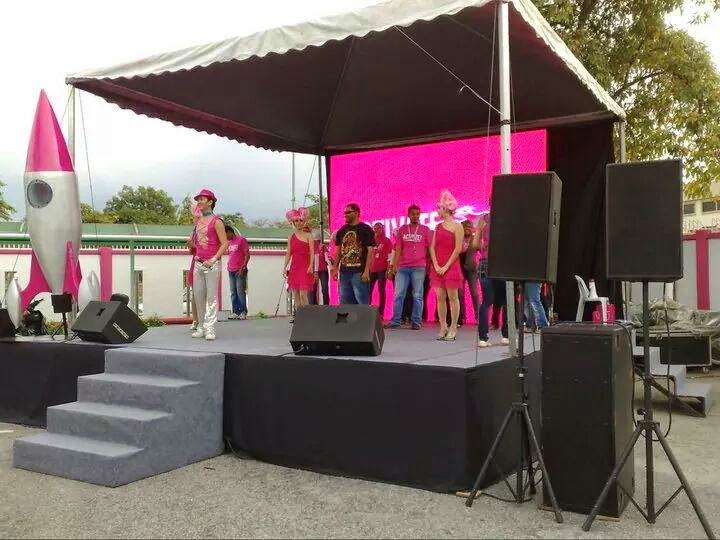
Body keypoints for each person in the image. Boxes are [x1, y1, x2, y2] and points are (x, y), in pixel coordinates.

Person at [188, 188, 228, 341]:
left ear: (210, 202)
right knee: (198, 295)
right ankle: (200, 326)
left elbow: (224, 243)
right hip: (198, 263)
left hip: (211, 264)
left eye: (202, 199)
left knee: (211, 297)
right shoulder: (198, 221)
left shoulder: (217, 222)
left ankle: (210, 328)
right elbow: (196, 243)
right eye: (198, 199)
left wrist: (214, 259)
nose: (199, 202)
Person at [386, 205, 431, 330]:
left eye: (417, 214)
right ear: (409, 215)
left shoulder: (425, 230)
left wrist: (432, 263)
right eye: (413, 214)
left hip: (419, 267)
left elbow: (431, 247)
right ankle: (396, 321)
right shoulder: (402, 229)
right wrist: (394, 266)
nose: (415, 216)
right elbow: (398, 248)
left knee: (417, 295)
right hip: (402, 267)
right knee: (399, 294)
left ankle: (416, 321)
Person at [430, 190, 464, 341]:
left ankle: (453, 327)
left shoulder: (458, 226)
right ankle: (443, 326)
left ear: (445, 209)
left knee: (453, 297)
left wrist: (446, 266)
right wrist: (436, 265)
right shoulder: (437, 227)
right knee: (440, 297)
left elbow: (458, 249)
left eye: (439, 208)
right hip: (438, 266)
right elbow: (432, 247)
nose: (437, 210)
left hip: (451, 266)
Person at [473, 213, 509, 347]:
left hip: (485, 262)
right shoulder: (507, 218)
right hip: (502, 261)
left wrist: (484, 248)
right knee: (506, 301)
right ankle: (506, 336)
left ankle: (483, 338)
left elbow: (475, 243)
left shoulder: (483, 219)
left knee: (486, 302)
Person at [331, 203, 375, 304]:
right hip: (344, 272)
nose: (345, 215)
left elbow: (370, 251)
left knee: (362, 302)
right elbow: (338, 251)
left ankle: (364, 316)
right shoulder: (342, 230)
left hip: (359, 272)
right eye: (344, 213)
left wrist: (366, 271)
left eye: (348, 212)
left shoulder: (365, 229)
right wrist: (335, 268)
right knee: (345, 302)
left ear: (356, 213)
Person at [283, 208, 316, 313]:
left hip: (305, 268)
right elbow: (288, 253)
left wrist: (311, 266)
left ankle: (307, 315)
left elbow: (312, 252)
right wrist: (284, 267)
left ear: (304, 221)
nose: (298, 223)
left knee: (303, 294)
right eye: (296, 221)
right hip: (294, 268)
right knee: (296, 295)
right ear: (293, 222)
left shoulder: (309, 236)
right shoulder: (291, 237)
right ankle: (299, 316)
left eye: (301, 220)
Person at [225, 225, 250, 320]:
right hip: (231, 270)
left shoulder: (241, 240)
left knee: (240, 292)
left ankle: (243, 312)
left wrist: (243, 267)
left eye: (226, 234)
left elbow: (247, 255)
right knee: (233, 292)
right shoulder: (229, 243)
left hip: (239, 270)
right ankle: (235, 311)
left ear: (229, 232)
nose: (225, 237)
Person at [458, 219, 480, 326]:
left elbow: (484, 250)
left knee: (474, 293)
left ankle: (478, 317)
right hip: (459, 269)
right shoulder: (458, 238)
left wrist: (480, 263)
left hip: (472, 270)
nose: (467, 229)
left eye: (468, 227)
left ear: (472, 229)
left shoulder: (475, 239)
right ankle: (462, 317)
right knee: (460, 294)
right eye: (464, 227)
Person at [370, 222, 393, 318]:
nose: (376, 230)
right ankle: (367, 311)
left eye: (378, 228)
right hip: (372, 269)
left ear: (382, 229)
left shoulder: (387, 241)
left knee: (381, 290)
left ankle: (381, 313)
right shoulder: (371, 240)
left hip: (382, 269)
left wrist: (389, 269)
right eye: (375, 228)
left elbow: (390, 256)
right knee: (368, 290)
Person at [308, 228, 332, 305]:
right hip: (321, 270)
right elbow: (327, 258)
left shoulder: (312, 246)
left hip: (316, 270)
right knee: (324, 289)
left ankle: (314, 306)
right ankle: (325, 306)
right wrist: (331, 267)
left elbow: (325, 258)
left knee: (314, 290)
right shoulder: (322, 246)